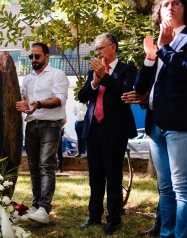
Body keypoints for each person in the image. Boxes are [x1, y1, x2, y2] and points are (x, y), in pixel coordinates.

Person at [134, 0, 187, 237]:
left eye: (177, 2)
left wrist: (164, 49)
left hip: (183, 123)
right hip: (156, 124)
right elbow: (140, 87)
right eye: (165, 3)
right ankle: (166, 234)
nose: (170, 7)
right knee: (165, 189)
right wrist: (149, 58)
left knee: (183, 189)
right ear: (159, 12)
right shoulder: (157, 44)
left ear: (186, 10)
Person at [122, 61, 187, 237]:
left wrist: (151, 96)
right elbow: (143, 90)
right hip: (156, 126)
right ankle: (164, 229)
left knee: (186, 185)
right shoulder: (153, 60)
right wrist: (145, 97)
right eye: (159, 31)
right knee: (165, 187)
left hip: (184, 129)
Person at [78, 32, 137, 235]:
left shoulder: (128, 69)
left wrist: (105, 77)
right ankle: (94, 215)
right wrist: (95, 81)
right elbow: (82, 95)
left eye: (101, 48)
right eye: (96, 50)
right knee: (95, 176)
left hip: (115, 130)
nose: (98, 53)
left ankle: (113, 218)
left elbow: (125, 92)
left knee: (113, 175)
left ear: (113, 47)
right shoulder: (93, 71)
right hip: (93, 128)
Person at [15, 42, 69, 224]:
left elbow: (59, 100)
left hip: (50, 125)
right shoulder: (27, 79)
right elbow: (25, 103)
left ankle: (44, 209)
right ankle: (35, 206)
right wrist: (23, 106)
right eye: (32, 56)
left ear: (47, 56)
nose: (34, 60)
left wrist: (37, 103)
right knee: (33, 167)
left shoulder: (57, 74)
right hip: (31, 125)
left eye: (37, 56)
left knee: (46, 165)